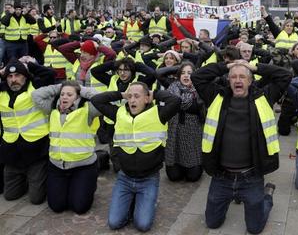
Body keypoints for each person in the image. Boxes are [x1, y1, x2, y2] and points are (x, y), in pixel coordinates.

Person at [191, 60, 292, 234]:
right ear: (228, 80)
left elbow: (285, 75)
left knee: (254, 228)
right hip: (222, 177)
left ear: (250, 80)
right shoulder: (216, 96)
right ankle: (235, 197)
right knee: (212, 223)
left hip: (251, 177)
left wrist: (255, 67)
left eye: (243, 76)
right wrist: (227, 65)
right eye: (234, 77)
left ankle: (266, 196)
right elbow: (197, 76)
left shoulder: (264, 96)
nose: (238, 80)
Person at [91, 82, 180, 232]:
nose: (132, 100)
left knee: (143, 225)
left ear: (146, 99)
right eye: (130, 96)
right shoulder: (118, 113)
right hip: (124, 178)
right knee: (114, 223)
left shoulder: (159, 113)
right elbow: (96, 100)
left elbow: (176, 101)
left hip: (148, 179)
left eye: (137, 96)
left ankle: (142, 202)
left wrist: (154, 93)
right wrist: (121, 94)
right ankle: (133, 201)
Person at [31, 81, 101, 214]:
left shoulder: (88, 110)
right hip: (57, 166)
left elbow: (102, 98)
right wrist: (59, 86)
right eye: (62, 94)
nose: (64, 97)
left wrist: (81, 88)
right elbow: (36, 95)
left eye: (69, 94)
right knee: (57, 207)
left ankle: (94, 172)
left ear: (78, 97)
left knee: (79, 207)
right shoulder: (51, 108)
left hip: (83, 166)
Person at [0, 57, 56, 204]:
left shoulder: (36, 87)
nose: (14, 80)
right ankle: (25, 179)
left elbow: (50, 74)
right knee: (10, 196)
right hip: (11, 151)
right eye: (10, 76)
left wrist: (28, 65)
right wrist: (2, 72)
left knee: (36, 199)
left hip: (36, 150)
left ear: (25, 76)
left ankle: (39, 176)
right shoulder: (2, 91)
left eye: (18, 75)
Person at [165, 62, 204, 182]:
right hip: (175, 137)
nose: (186, 76)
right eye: (182, 73)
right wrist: (179, 65)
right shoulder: (172, 88)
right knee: (174, 177)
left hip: (192, 139)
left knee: (193, 177)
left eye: (189, 73)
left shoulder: (199, 90)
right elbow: (158, 73)